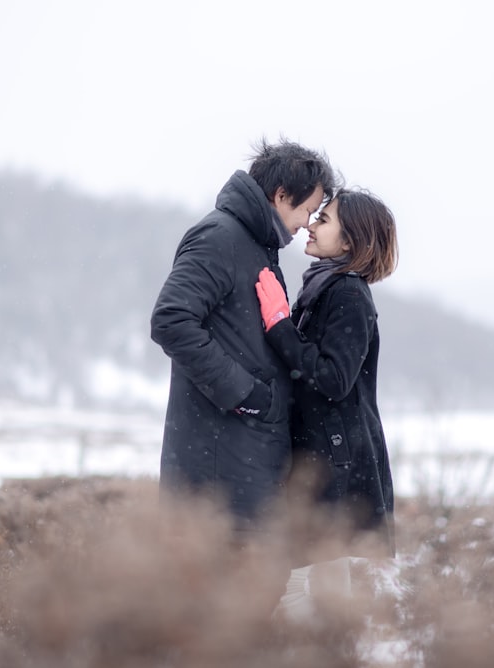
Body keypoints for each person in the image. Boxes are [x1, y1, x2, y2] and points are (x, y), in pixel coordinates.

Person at [150, 139, 339, 536]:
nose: (308, 222)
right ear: (281, 194)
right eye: (307, 209)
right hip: (219, 463)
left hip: (243, 458)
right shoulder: (220, 237)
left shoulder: (255, 243)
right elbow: (171, 319)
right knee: (218, 591)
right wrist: (247, 396)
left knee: (246, 591)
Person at [255, 189, 399, 561]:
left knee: (333, 588)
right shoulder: (324, 286)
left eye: (323, 220)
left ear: (350, 239)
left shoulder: (348, 293)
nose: (310, 226)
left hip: (341, 467)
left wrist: (279, 325)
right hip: (327, 458)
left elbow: (334, 378)